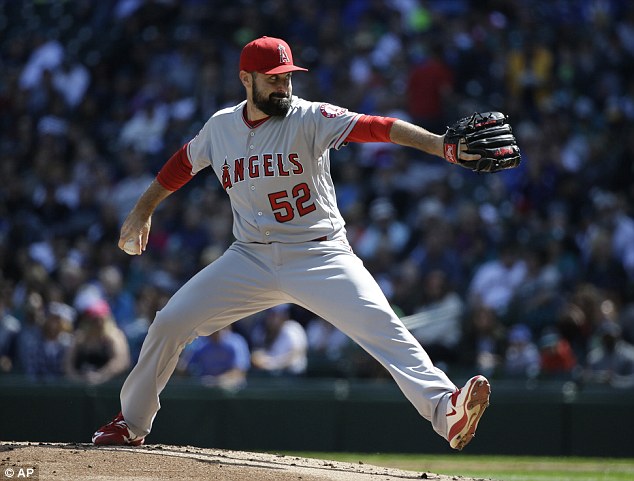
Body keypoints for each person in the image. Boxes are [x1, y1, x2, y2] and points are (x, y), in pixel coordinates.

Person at [92, 36, 490, 451]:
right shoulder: (221, 127)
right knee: (170, 322)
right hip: (249, 257)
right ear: (246, 79)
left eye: (288, 77)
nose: (284, 86)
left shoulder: (309, 117)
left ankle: (447, 410)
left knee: (383, 328)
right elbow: (182, 164)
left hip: (319, 253)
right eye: (273, 79)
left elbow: (380, 127)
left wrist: (441, 146)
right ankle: (131, 424)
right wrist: (143, 209)